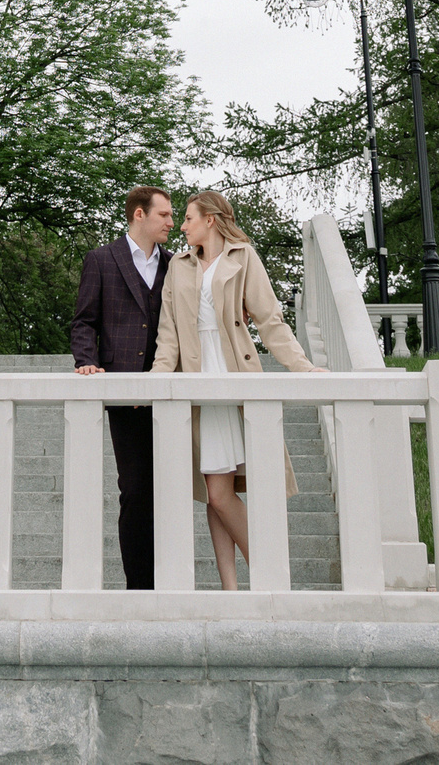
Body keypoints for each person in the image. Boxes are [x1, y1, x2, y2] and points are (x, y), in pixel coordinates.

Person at [151, 188, 323, 591]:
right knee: (215, 489)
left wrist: (302, 365)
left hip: (233, 376)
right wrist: (158, 378)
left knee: (218, 491)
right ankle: (231, 587)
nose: (183, 225)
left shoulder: (243, 257)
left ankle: (268, 574)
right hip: (197, 382)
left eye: (189, 218)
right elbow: (168, 334)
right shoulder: (178, 265)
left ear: (210, 220)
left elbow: (269, 319)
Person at [70, 184, 173, 590]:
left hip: (171, 392)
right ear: (139, 215)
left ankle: (170, 583)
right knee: (134, 490)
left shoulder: (178, 264)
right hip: (124, 395)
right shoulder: (101, 260)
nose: (171, 222)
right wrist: (87, 362)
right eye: (164, 214)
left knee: (169, 491)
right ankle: (139, 588)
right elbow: (84, 321)